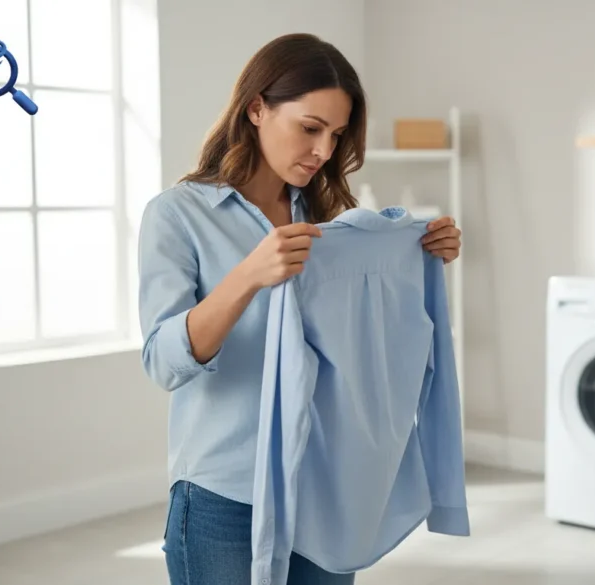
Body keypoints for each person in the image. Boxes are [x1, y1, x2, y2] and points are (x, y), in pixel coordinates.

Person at [135, 33, 462, 585]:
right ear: (256, 108)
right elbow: (163, 362)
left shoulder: (334, 217)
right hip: (224, 494)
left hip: (325, 486)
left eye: (336, 135)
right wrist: (247, 277)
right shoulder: (177, 214)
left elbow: (364, 342)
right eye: (311, 128)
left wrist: (421, 258)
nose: (324, 152)